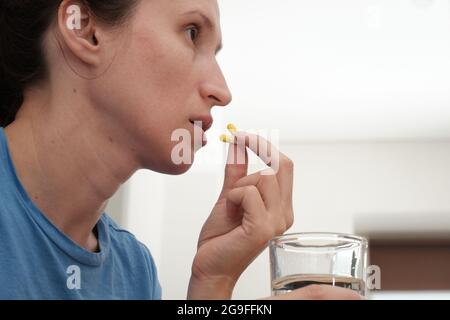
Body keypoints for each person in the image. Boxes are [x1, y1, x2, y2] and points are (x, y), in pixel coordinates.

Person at [0, 0, 363, 300]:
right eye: (192, 33)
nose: (222, 91)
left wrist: (213, 281)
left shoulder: (135, 272)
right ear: (85, 29)